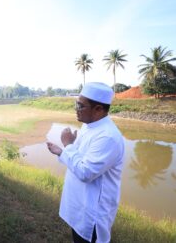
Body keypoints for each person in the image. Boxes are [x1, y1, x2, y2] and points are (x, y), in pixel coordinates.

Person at [47, 82, 125, 243]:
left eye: (80, 105)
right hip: (79, 205)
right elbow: (80, 160)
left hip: (92, 214)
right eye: (76, 104)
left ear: (98, 109)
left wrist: (68, 145)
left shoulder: (108, 137)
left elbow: (85, 172)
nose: (76, 108)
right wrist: (62, 152)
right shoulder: (89, 126)